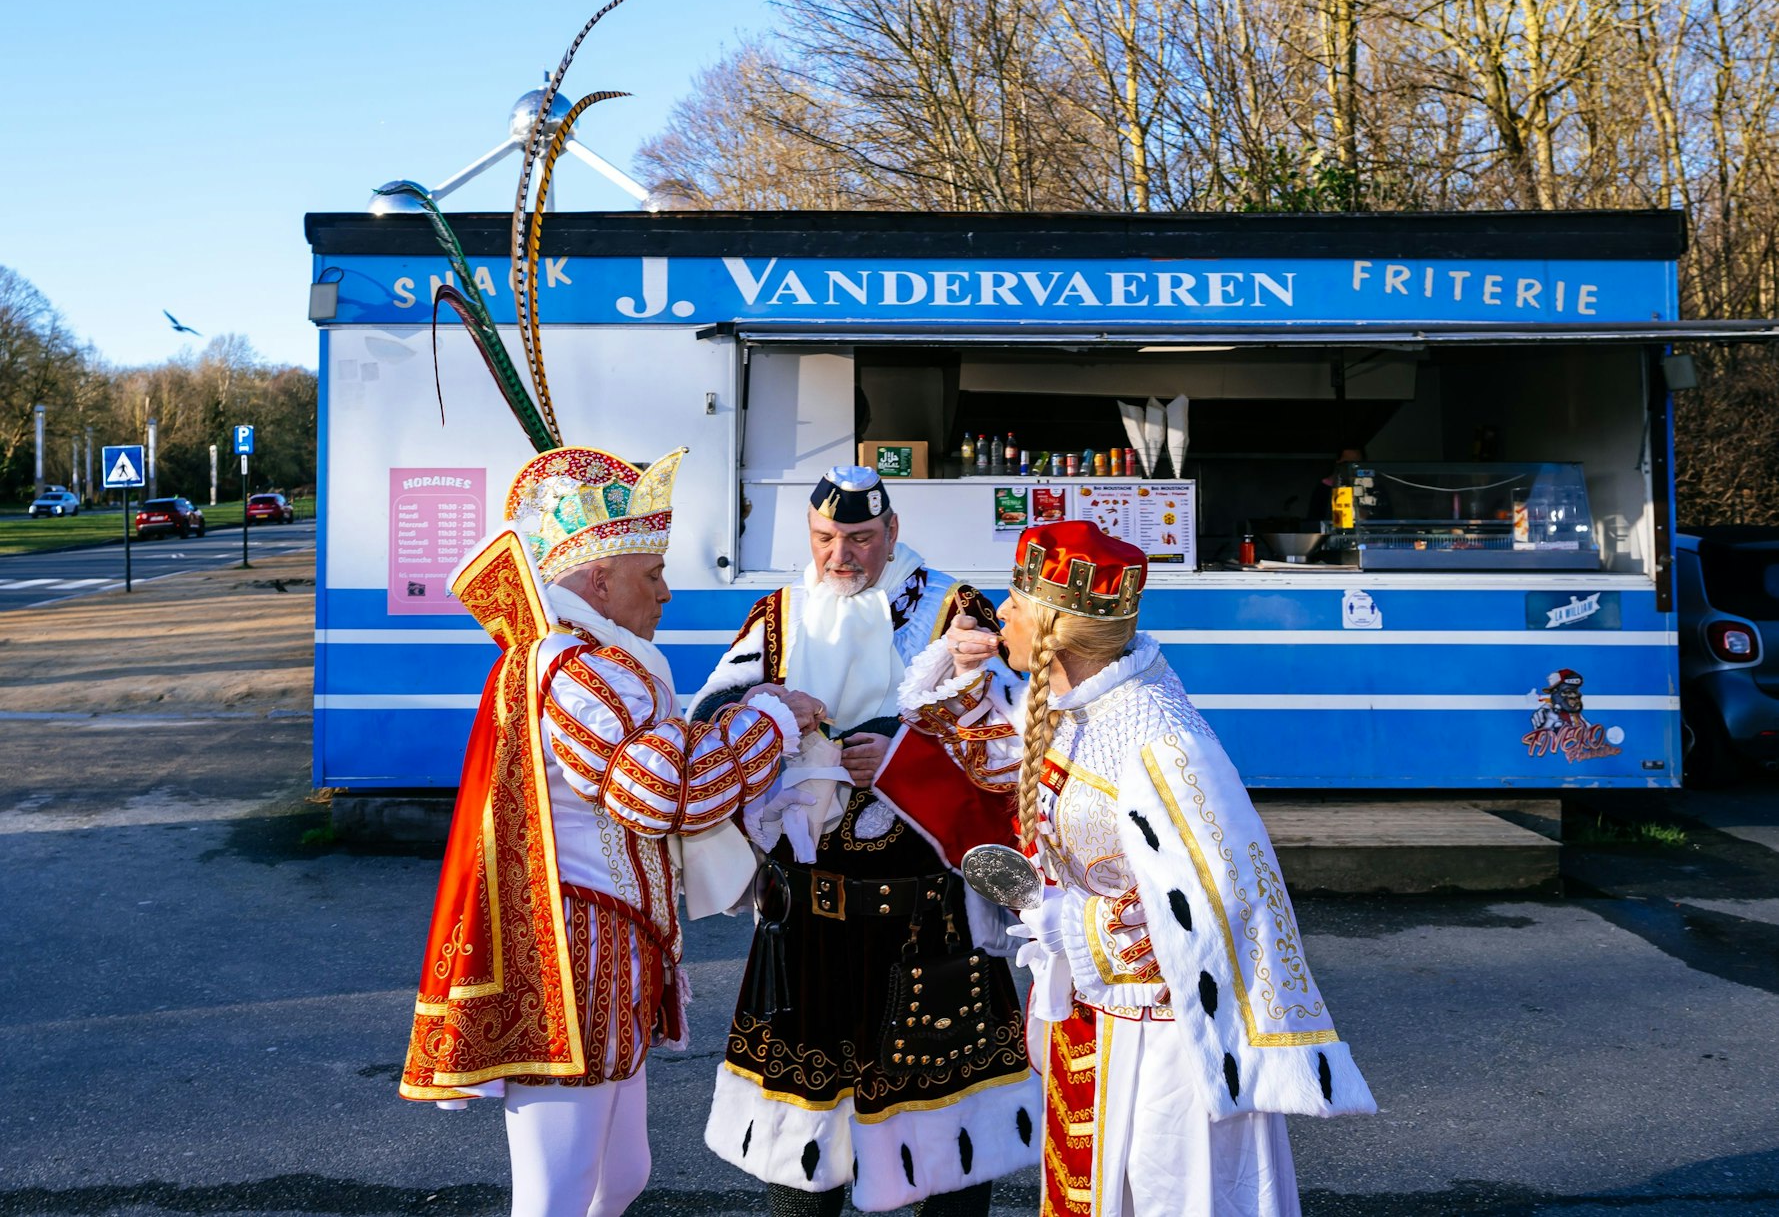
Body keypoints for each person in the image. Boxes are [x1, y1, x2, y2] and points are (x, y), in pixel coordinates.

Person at [904, 520, 1376, 1217]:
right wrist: (957, 666)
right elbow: (995, 758)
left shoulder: (1157, 737)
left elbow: (1219, 904)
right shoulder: (1076, 709)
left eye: (1015, 602)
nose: (999, 613)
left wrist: (1063, 919)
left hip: (1167, 1045)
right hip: (1099, 1020)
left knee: (1162, 1195)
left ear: (1058, 629)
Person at [399, 444, 822, 1217]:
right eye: (650, 573)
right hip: (572, 950)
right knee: (557, 1192)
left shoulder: (600, 659)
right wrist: (767, 720)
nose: (665, 592)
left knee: (620, 1175)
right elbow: (663, 792)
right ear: (599, 579)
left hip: (613, 944)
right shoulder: (574, 665)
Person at [695, 465, 1041, 1217]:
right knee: (802, 1139)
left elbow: (1015, 741)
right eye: (824, 539)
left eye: (858, 539)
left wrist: (903, 749)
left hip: (929, 914)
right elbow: (709, 713)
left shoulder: (958, 609)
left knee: (947, 1133)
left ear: (890, 533)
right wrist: (763, 702)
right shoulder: (779, 614)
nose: (839, 557)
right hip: (808, 914)